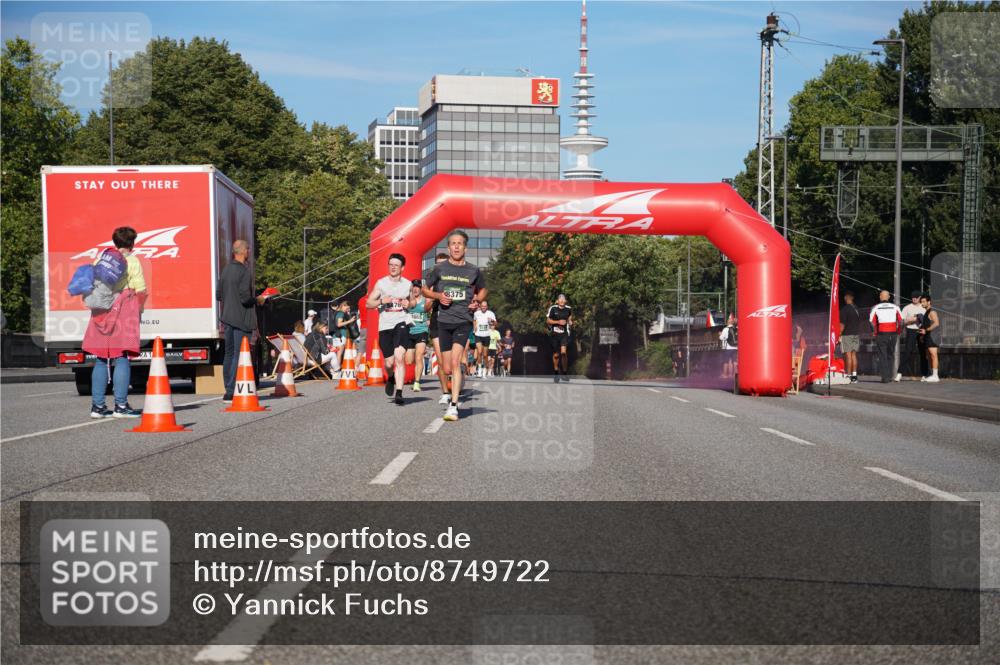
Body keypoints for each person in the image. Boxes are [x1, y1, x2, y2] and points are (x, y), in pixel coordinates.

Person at [423, 230, 487, 422]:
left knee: (455, 362)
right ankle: (458, 381)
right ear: (448, 247)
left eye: (460, 243)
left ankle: (453, 406)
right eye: (453, 243)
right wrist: (438, 296)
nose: (457, 246)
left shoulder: (473, 270)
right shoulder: (439, 269)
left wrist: (477, 299)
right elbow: (425, 289)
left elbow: (483, 289)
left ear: (465, 248)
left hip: (463, 320)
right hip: (443, 321)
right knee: (447, 367)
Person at [83, 226, 147, 418]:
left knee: (102, 359)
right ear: (132, 243)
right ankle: (120, 406)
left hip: (101, 311)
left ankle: (98, 406)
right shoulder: (133, 261)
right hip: (123, 310)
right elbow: (140, 290)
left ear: (115, 242)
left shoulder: (101, 259)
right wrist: (138, 313)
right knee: (121, 357)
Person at [217, 239, 266, 403]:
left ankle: (228, 389)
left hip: (227, 318)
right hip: (240, 320)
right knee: (239, 354)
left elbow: (218, 295)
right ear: (243, 251)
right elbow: (245, 298)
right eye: (248, 249)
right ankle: (232, 391)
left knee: (229, 354)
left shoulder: (225, 270)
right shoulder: (244, 272)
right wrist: (258, 299)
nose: (249, 252)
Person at [366, 253, 413, 406]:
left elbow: (412, 302)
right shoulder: (381, 284)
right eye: (390, 264)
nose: (393, 267)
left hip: (401, 322)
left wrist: (408, 304)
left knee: (399, 357)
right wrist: (381, 300)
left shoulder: (407, 284)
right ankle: (391, 377)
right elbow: (369, 304)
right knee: (389, 362)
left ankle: (399, 392)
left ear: (402, 268)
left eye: (396, 265)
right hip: (385, 325)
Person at [424, 252, 450, 404]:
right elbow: (426, 308)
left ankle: (457, 379)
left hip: (453, 322)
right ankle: (445, 392)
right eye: (438, 264)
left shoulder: (455, 281)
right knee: (441, 360)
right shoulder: (431, 285)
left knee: (453, 360)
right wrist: (436, 296)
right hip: (437, 322)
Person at [869, 289, 903, 383]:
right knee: (890, 355)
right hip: (893, 334)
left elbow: (871, 322)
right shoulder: (895, 307)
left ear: (880, 297)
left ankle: (885, 377)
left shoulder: (876, 307)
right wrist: (899, 331)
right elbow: (901, 321)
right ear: (889, 297)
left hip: (881, 334)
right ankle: (891, 376)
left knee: (882, 355)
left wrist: (874, 332)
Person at [405, 279, 430, 391]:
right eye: (413, 287)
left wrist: (430, 321)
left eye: (417, 287)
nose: (415, 289)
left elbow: (429, 309)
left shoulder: (425, 300)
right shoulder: (408, 300)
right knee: (409, 361)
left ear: (420, 289)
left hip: (422, 331)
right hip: (410, 332)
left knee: (419, 356)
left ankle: (417, 382)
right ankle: (418, 367)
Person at [900, 290, 927, 380]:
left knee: (922, 352)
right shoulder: (907, 308)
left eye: (916, 297)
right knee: (907, 352)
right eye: (913, 297)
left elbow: (926, 320)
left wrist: (916, 319)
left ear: (920, 298)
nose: (914, 298)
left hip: (921, 331)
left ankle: (925, 374)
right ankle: (899, 373)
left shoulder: (923, 308)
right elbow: (902, 321)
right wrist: (914, 319)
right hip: (910, 330)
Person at [546, 294, 573, 382]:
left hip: (564, 334)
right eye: (560, 299)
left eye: (563, 299)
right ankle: (556, 372)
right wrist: (558, 322)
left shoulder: (568, 309)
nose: (562, 301)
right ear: (557, 301)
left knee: (564, 353)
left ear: (565, 301)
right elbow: (548, 320)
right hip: (554, 334)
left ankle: (564, 373)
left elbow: (569, 317)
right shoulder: (553, 308)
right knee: (556, 355)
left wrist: (570, 321)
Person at [839, 290, 862, 383]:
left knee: (848, 355)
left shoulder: (845, 309)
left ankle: (848, 376)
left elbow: (842, 325)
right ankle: (854, 377)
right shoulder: (856, 308)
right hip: (856, 334)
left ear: (845, 298)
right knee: (854, 355)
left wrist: (839, 334)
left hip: (847, 334)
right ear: (852, 298)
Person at [918, 294, 941, 383]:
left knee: (933, 355)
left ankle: (935, 376)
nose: (922, 304)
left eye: (924, 302)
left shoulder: (932, 312)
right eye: (921, 302)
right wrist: (923, 335)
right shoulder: (926, 312)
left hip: (933, 336)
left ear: (929, 302)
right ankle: (932, 374)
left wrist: (926, 330)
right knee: (929, 355)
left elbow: (936, 323)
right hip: (928, 336)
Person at [473, 300, 496, 378]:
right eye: (482, 306)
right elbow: (474, 320)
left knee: (485, 355)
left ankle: (485, 369)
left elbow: (496, 323)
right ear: (480, 306)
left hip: (486, 335)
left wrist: (492, 321)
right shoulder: (476, 313)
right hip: (478, 335)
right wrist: (475, 327)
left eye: (485, 306)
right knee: (479, 352)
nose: (483, 308)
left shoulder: (491, 313)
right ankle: (479, 370)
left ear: (487, 307)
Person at [332, 300, 359, 368]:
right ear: (343, 306)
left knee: (338, 353)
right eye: (347, 308)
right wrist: (350, 321)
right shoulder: (341, 313)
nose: (348, 309)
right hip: (341, 335)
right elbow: (339, 324)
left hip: (337, 335)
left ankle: (336, 369)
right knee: (339, 353)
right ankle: (337, 369)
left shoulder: (337, 313)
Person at [719, 313, 738, 378]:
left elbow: (721, 338)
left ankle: (725, 374)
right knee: (734, 362)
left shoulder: (725, 329)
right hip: (736, 347)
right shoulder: (737, 328)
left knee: (726, 361)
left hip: (728, 348)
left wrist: (720, 334)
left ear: (728, 322)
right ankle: (734, 375)